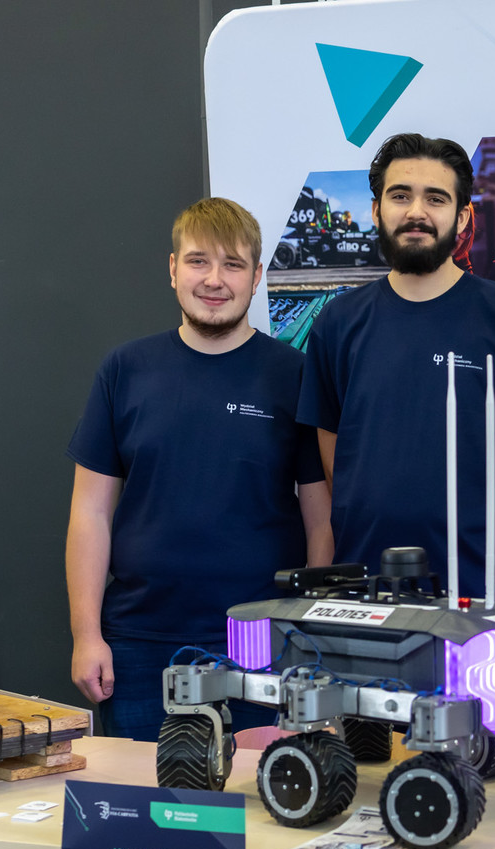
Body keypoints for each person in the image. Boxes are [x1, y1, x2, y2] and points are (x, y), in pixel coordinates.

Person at [66, 197, 332, 741]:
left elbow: (321, 518)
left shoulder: (295, 375)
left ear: (256, 276)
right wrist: (86, 636)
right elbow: (89, 513)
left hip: (263, 644)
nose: (214, 280)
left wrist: (307, 629)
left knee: (263, 792)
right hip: (139, 645)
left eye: (232, 264)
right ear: (173, 269)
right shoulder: (125, 370)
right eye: (198, 261)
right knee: (147, 795)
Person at [299, 133, 495, 597]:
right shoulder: (337, 322)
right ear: (376, 211)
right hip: (366, 589)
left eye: (436, 198)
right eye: (400, 196)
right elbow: (336, 463)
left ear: (463, 216)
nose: (417, 212)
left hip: (479, 590)